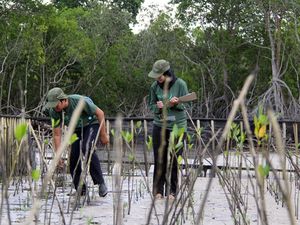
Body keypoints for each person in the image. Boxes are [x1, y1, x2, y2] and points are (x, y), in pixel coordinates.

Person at [44, 87, 109, 197]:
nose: (55, 107)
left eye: (56, 104)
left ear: (63, 100)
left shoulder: (79, 101)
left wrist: (103, 135)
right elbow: (57, 134)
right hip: (75, 129)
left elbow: (100, 113)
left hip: (91, 124)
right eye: (52, 105)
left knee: (86, 147)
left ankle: (100, 183)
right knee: (73, 158)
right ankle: (81, 189)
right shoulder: (54, 111)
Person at [148, 59, 189, 200]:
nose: (158, 79)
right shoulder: (154, 86)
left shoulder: (180, 84)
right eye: (156, 77)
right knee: (159, 159)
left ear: (167, 73)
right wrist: (158, 107)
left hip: (177, 126)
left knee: (174, 160)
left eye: (159, 76)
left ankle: (172, 192)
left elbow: (186, 105)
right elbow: (151, 105)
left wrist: (176, 103)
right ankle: (158, 191)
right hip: (159, 125)